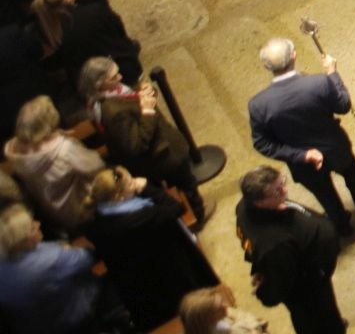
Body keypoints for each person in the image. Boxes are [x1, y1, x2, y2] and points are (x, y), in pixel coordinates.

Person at [247, 38, 355, 242]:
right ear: (294, 56)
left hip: (302, 164)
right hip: (335, 148)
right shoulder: (319, 83)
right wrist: (332, 74)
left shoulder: (258, 105)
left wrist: (301, 155)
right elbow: (343, 105)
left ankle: (342, 226)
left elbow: (262, 143)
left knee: (325, 195)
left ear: (266, 67)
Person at [82, 164, 219, 327]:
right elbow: (176, 208)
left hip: (136, 282)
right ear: (118, 197)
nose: (135, 182)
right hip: (168, 272)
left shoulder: (95, 220)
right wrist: (147, 188)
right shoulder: (142, 217)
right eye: (130, 182)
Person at [77, 56, 205, 221]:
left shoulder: (113, 93)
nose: (120, 77)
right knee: (187, 184)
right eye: (113, 77)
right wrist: (147, 110)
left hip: (160, 150)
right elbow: (135, 144)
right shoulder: (112, 112)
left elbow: (130, 100)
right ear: (99, 84)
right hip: (161, 157)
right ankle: (197, 214)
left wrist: (143, 91)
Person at [234, 165, 346, 334]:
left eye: (282, 182)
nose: (285, 190)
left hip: (311, 268)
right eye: (277, 191)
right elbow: (281, 282)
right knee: (317, 319)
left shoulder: (246, 205)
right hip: (308, 287)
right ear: (260, 202)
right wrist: (265, 291)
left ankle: (334, 323)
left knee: (329, 311)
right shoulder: (276, 244)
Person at [5, 94, 103, 232]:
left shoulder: (14, 152)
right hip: (79, 206)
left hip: (52, 210)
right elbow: (95, 165)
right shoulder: (64, 150)